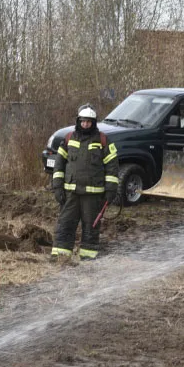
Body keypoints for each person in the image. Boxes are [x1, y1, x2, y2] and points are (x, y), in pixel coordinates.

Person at [50, 104, 119, 261]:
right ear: (78, 121)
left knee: (91, 227)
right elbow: (59, 165)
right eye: (83, 121)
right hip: (71, 194)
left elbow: (112, 166)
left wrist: (111, 190)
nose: (85, 124)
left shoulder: (103, 141)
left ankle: (88, 259)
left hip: (93, 196)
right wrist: (57, 187)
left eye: (88, 121)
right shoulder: (68, 139)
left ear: (93, 122)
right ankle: (61, 257)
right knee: (65, 224)